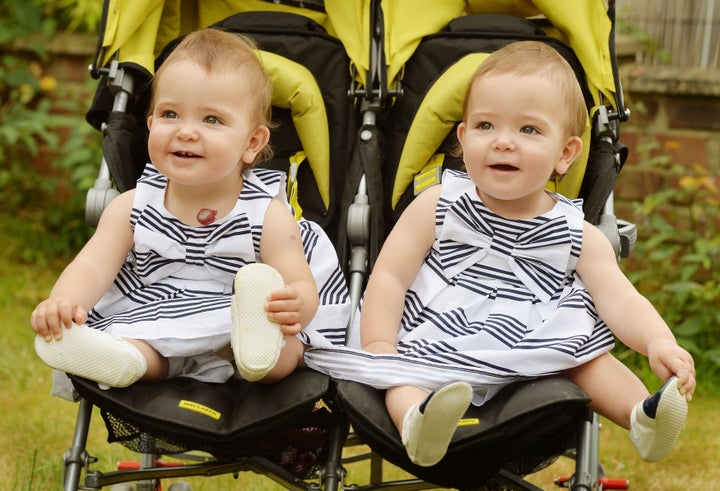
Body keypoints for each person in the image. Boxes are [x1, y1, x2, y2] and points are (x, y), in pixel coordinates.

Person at [305, 41, 696, 467]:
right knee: (402, 376)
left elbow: (620, 299)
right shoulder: (438, 204)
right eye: (485, 126)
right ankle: (418, 424)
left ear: (565, 154)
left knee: (588, 360)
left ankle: (642, 415)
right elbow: (390, 276)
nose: (503, 143)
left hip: (530, 345)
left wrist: (658, 340)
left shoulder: (576, 233)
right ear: (462, 136)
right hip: (438, 335)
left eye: (528, 130)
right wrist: (380, 343)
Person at [31, 28, 350, 390]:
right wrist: (63, 304)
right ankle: (124, 360)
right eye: (170, 114)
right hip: (161, 318)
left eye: (211, 120)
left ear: (252, 143)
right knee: (143, 348)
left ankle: (260, 357)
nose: (186, 132)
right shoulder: (133, 207)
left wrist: (296, 305)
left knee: (287, 348)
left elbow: (301, 285)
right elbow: (91, 265)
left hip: (242, 323)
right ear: (150, 125)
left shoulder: (266, 215)